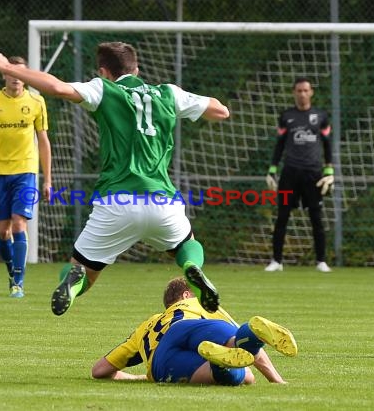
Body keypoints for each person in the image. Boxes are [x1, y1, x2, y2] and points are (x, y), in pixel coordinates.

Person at [0, 42, 229, 314]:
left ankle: (72, 285)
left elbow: (57, 87)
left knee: (80, 268)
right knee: (187, 245)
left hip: (115, 202)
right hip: (163, 202)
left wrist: (5, 67)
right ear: (137, 68)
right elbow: (220, 111)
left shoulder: (102, 88)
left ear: (104, 71)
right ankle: (192, 268)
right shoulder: (168, 93)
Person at [91, 277, 298, 385]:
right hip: (194, 328)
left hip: (162, 359)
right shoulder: (200, 304)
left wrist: (136, 377)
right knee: (241, 351)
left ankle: (220, 365)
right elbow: (247, 350)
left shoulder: (149, 324)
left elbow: (99, 371)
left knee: (242, 377)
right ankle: (251, 334)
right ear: (187, 294)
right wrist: (276, 380)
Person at [0, 55, 52, 298]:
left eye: (21, 73)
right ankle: (12, 272)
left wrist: (47, 178)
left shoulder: (37, 102)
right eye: (11, 72)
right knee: (2, 231)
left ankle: (18, 282)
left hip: (26, 172)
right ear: (4, 74)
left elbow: (43, 141)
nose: (16, 78)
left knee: (20, 222)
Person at [264, 77, 334, 273]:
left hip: (313, 174)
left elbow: (328, 144)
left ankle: (321, 261)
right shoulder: (287, 116)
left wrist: (329, 170)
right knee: (282, 216)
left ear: (311, 92)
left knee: (316, 217)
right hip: (289, 174)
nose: (302, 94)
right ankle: (276, 261)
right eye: (299, 90)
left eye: (306, 90)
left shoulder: (320, 116)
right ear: (294, 93)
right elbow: (279, 145)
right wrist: (272, 169)